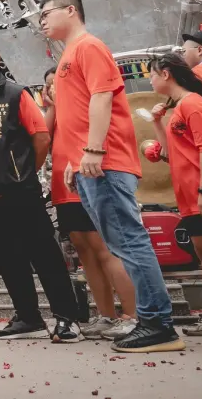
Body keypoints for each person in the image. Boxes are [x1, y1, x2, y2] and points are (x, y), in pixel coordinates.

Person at [39, 0, 183, 353]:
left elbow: (102, 97)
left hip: (106, 162)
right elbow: (78, 111)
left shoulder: (88, 46)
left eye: (47, 13)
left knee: (128, 241)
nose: (42, 21)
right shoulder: (69, 54)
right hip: (90, 164)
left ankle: (157, 324)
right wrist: (74, 158)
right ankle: (151, 321)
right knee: (121, 242)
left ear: (70, 11)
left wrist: (93, 149)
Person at [0, 35, 80, 342]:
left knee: (44, 254)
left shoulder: (15, 93)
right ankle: (28, 317)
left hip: (20, 191)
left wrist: (23, 173)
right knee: (7, 259)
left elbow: (40, 138)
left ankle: (67, 318)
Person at [43, 66, 137, 341]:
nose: (52, 88)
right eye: (48, 85)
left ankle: (132, 316)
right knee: (85, 253)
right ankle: (106, 315)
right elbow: (44, 136)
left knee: (106, 250)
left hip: (88, 180)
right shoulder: (58, 113)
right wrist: (53, 106)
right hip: (64, 188)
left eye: (56, 83)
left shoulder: (86, 107)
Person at [147, 52, 202, 336]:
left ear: (166, 73)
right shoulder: (179, 107)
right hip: (190, 197)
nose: (150, 79)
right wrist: (158, 123)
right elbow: (170, 155)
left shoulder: (194, 104)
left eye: (152, 74)